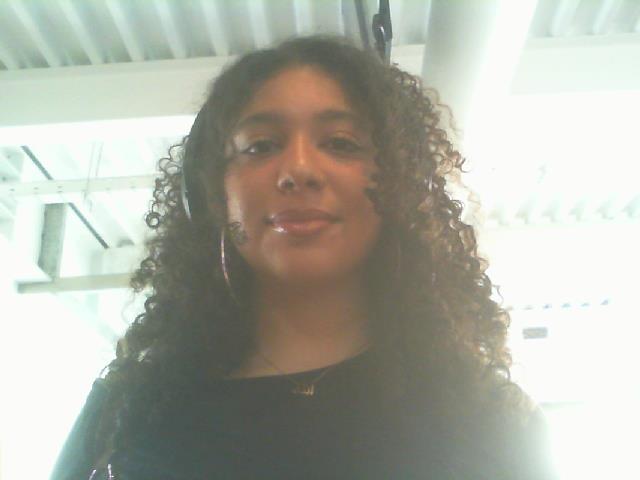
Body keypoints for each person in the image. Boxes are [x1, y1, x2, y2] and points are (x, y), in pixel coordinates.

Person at [51, 35, 559, 479]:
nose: (297, 170)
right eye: (259, 146)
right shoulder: (124, 419)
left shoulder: (490, 421)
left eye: (340, 143)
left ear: (404, 186)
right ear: (210, 195)